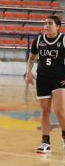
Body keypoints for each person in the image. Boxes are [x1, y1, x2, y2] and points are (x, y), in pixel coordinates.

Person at [26, 15, 65, 154]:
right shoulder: (38, 40)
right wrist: (28, 72)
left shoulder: (63, 39)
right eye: (45, 23)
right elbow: (31, 58)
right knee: (44, 111)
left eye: (50, 23)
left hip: (59, 79)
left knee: (59, 111)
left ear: (58, 26)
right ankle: (45, 142)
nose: (46, 26)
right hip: (42, 79)